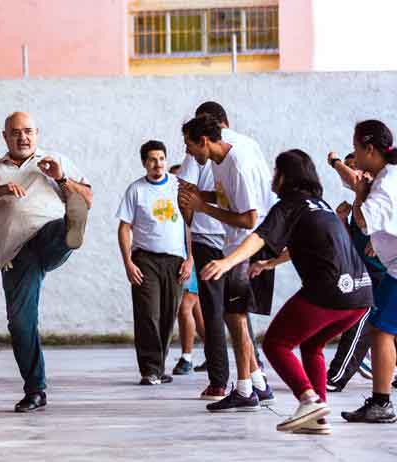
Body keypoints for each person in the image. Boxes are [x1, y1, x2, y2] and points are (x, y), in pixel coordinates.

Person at [203, 150, 372, 435]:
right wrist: (269, 263)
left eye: (275, 171)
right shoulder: (320, 205)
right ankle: (318, 415)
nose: (272, 177)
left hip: (328, 291)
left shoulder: (288, 205)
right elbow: (304, 244)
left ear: (285, 176)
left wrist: (227, 261)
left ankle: (308, 400)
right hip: (360, 295)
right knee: (311, 346)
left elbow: (258, 236)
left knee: (275, 344)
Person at [0, 111, 91, 413]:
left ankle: (70, 229)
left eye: (28, 132)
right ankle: (35, 390)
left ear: (37, 133)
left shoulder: (53, 160)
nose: (22, 137)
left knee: (61, 223)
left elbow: (88, 196)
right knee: (21, 324)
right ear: (5, 136)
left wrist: (60, 178)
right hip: (15, 255)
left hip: (46, 236)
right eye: (15, 132)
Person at [178, 114, 276, 412]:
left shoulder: (239, 163)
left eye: (190, 146)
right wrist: (200, 195)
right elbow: (228, 199)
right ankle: (257, 384)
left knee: (236, 319)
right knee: (236, 318)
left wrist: (202, 206)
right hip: (234, 245)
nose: (189, 154)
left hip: (247, 248)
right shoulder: (221, 161)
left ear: (204, 141)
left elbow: (249, 217)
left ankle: (246, 389)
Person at [117, 141, 192, 384]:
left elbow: (190, 225)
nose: (157, 164)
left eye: (161, 158)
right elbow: (124, 227)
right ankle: (150, 369)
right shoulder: (136, 190)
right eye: (152, 159)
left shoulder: (177, 187)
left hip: (175, 260)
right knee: (149, 313)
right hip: (145, 259)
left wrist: (190, 259)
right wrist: (128, 262)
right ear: (144, 163)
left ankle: (158, 368)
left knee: (169, 314)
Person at [342, 120, 397, 423]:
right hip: (393, 265)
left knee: (381, 331)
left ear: (369, 149)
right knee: (384, 330)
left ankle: (382, 403)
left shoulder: (385, 183)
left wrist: (360, 192)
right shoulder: (389, 176)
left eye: (356, 149)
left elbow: (363, 222)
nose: (355, 155)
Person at [325, 152, 383, 391]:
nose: (346, 176)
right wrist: (340, 219)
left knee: (360, 322)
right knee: (384, 324)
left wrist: (335, 162)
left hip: (381, 272)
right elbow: (351, 243)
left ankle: (336, 377)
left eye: (352, 168)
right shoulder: (360, 201)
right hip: (366, 270)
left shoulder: (377, 193)